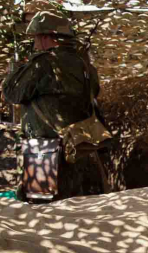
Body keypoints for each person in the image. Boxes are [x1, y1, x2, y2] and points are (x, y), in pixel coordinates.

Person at [2, 11, 105, 201]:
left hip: (43, 148)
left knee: (41, 208)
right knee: (80, 208)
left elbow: (12, 92)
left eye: (36, 38)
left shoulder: (44, 63)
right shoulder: (83, 64)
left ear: (46, 37)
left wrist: (14, 71)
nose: (35, 44)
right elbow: (94, 92)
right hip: (80, 146)